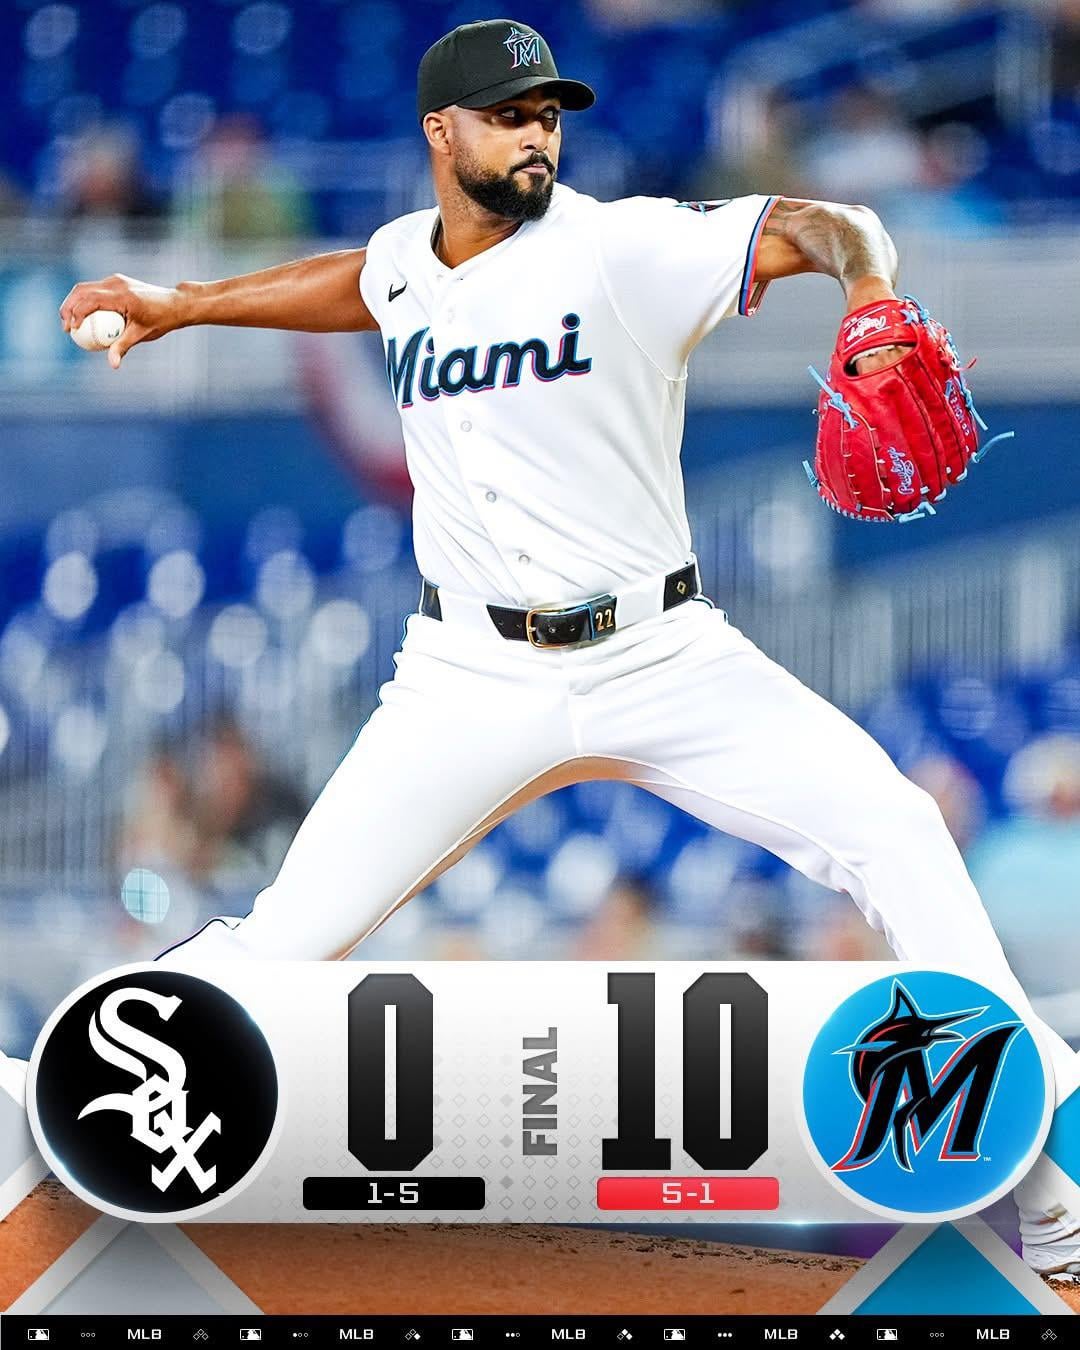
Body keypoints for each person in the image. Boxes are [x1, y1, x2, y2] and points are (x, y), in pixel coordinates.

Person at [59, 20, 1077, 1275]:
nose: (538, 134)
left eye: (548, 113)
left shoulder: (623, 245)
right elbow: (364, 281)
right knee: (285, 940)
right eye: (509, 115)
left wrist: (868, 295)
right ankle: (95, 1144)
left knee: (899, 830)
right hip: (468, 679)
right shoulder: (406, 262)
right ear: (442, 134)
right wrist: (186, 306)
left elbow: (828, 222)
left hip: (661, 655)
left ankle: (1044, 1177)